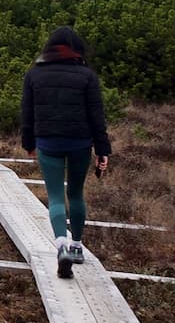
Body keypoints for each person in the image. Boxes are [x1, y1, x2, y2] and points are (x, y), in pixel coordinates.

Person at [21, 26, 111, 279]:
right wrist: (102, 150)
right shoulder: (87, 76)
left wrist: (28, 143)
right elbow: (97, 117)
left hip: (48, 142)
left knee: (56, 197)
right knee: (76, 194)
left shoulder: (34, 74)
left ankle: (61, 246)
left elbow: (27, 113)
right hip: (80, 143)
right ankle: (77, 246)